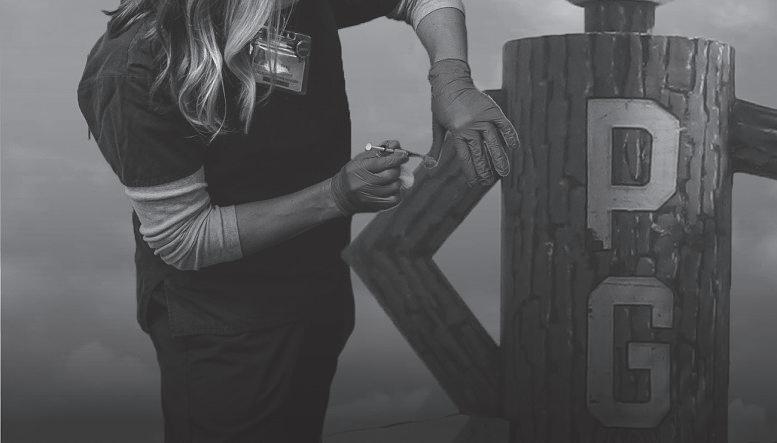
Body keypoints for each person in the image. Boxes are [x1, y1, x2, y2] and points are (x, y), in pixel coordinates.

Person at [77, 0, 519, 441]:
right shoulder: (134, 69)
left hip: (315, 292)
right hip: (225, 327)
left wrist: (451, 78)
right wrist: (335, 196)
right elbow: (185, 237)